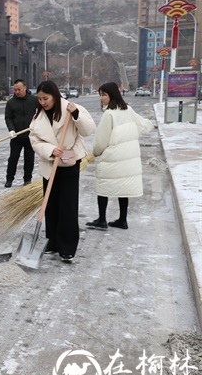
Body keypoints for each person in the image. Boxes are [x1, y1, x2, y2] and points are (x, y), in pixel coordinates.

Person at [29, 81, 96, 263]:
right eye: (40, 99)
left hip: (69, 161)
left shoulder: (71, 108)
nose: (43, 102)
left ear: (55, 96)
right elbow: (34, 139)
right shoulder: (39, 115)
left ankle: (67, 247)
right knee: (50, 205)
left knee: (67, 205)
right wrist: (50, 150)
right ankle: (52, 242)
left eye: (46, 98)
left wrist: (76, 115)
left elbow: (89, 130)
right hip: (49, 163)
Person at [86, 82, 153, 231]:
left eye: (103, 95)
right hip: (129, 157)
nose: (101, 98)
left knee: (103, 186)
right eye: (100, 95)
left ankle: (102, 220)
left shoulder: (109, 114)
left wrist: (96, 153)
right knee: (124, 188)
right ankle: (122, 220)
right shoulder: (128, 109)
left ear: (112, 95)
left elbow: (100, 141)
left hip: (113, 158)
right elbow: (143, 125)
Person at [4, 79, 37, 187]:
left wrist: (36, 124)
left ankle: (27, 179)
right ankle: (9, 179)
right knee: (13, 158)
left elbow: (41, 113)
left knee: (29, 158)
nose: (17, 91)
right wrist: (11, 130)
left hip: (30, 135)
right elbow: (8, 118)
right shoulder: (11, 103)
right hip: (16, 136)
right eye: (15, 89)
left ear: (25, 88)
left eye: (19, 89)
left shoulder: (33, 100)